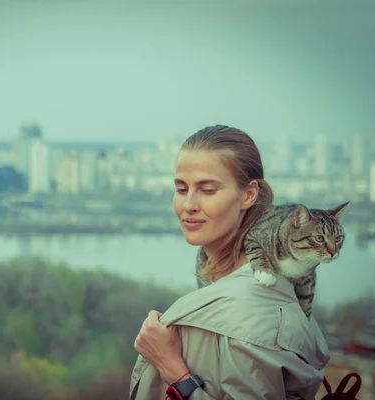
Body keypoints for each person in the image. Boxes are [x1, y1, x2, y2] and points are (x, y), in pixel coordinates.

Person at [130, 125, 330, 400]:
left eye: (208, 190)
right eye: (181, 188)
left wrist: (172, 369)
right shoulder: (236, 279)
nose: (188, 204)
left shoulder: (250, 312)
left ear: (248, 195)